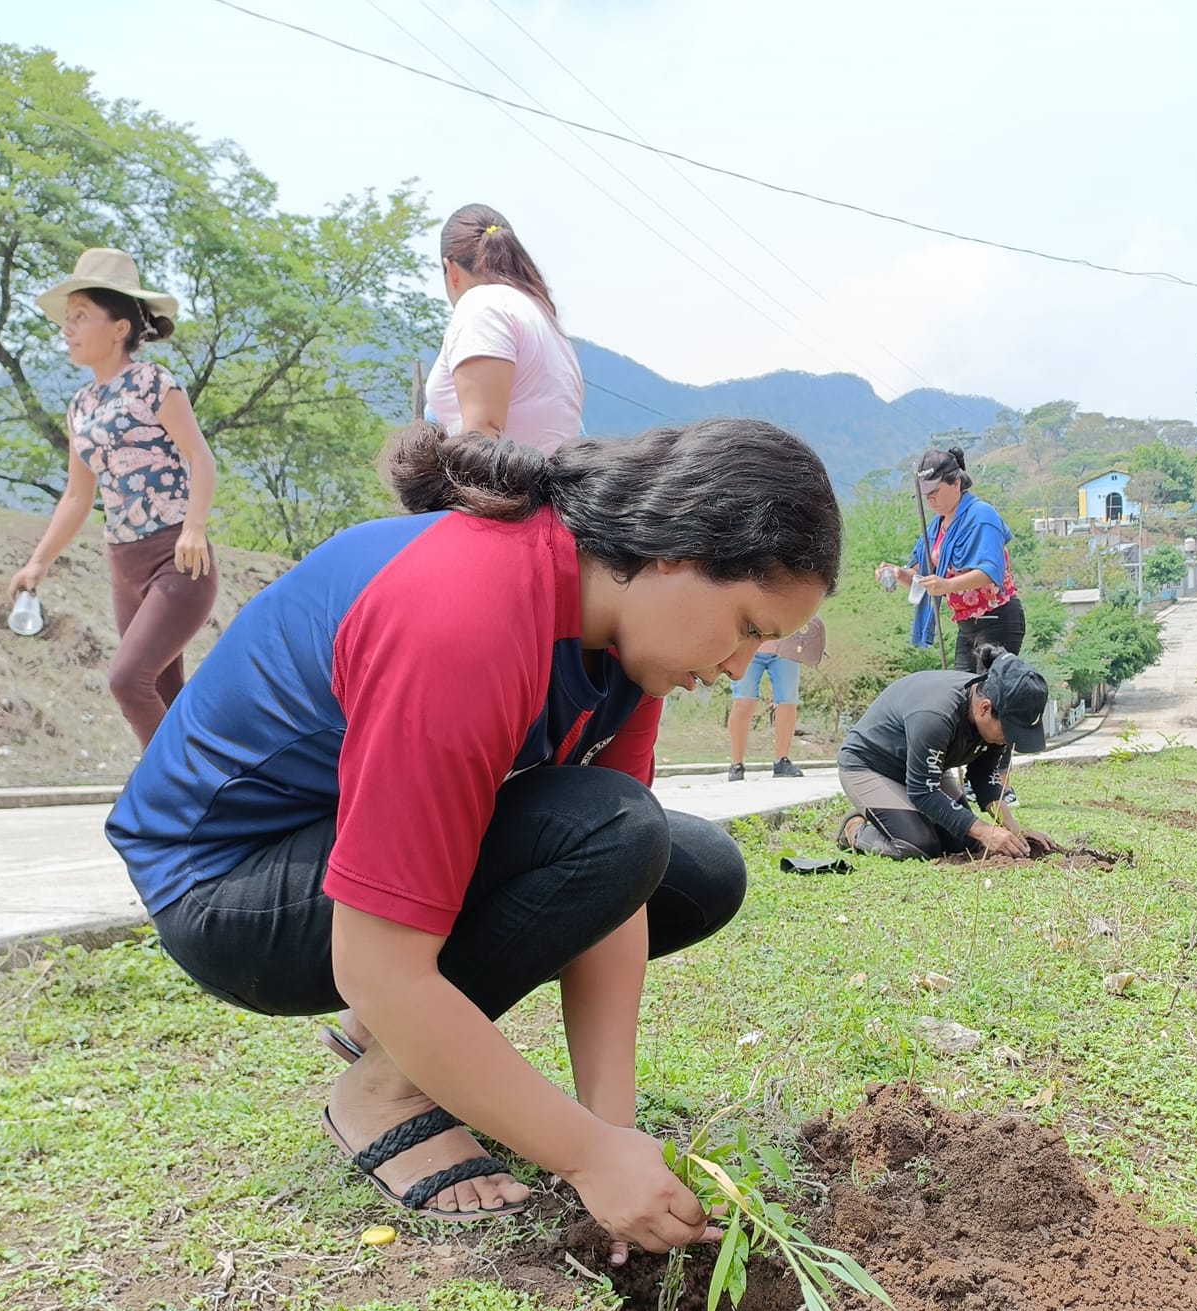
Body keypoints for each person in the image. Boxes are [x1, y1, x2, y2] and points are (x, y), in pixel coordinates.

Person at [104, 419, 841, 1261]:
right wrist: (587, 1158)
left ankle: (408, 1034)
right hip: (227, 884)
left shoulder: (626, 650)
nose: (742, 665)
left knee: (690, 866)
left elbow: (619, 887)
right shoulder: (469, 610)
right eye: (747, 625)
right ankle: (381, 1092)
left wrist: (612, 1134)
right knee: (615, 829)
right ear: (674, 553)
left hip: (340, 847)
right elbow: (380, 962)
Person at [10, 248, 218, 750]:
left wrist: (194, 527)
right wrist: (38, 563)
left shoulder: (154, 385)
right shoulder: (80, 406)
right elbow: (76, 498)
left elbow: (202, 459)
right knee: (164, 692)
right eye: (67, 318)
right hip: (123, 563)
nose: (68, 328)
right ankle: (205, 806)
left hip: (176, 559)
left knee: (127, 680)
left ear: (119, 326)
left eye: (80, 316)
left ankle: (166, 794)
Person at [834, 645, 1048, 860]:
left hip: (925, 770)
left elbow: (984, 776)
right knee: (918, 845)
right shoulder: (935, 715)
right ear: (984, 708)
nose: (1008, 740)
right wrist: (984, 830)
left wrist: (1014, 829)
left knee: (964, 842)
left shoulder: (993, 720)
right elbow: (923, 791)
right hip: (871, 766)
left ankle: (901, 815)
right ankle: (853, 830)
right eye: (1009, 731)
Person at [425, 203, 584, 452]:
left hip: (509, 488)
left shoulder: (482, 308)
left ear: (451, 270)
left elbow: (483, 434)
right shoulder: (542, 315)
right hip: (555, 482)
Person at [875, 446, 1025, 674]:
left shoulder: (982, 515)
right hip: (966, 625)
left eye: (935, 490)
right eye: (926, 493)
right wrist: (897, 573)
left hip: (997, 618)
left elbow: (989, 570)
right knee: (961, 693)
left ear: (956, 483)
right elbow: (923, 578)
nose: (930, 498)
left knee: (985, 696)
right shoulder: (936, 527)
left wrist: (947, 585)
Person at [725, 616, 822, 781]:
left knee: (788, 701)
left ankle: (782, 761)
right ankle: (736, 764)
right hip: (747, 644)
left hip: (786, 647)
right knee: (743, 702)